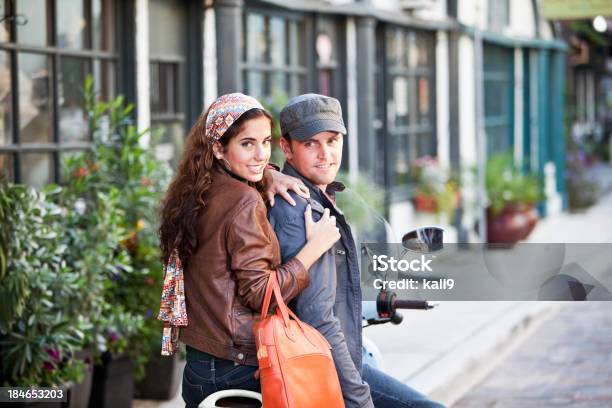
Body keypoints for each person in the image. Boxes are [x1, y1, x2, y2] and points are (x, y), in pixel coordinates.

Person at [158, 93, 340, 408]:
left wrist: (268, 173)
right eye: (247, 144)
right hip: (238, 367)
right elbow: (261, 294)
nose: (259, 154)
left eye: (266, 142)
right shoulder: (244, 201)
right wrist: (313, 249)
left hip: (200, 368)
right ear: (218, 148)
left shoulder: (195, 191)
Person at [268, 93, 446, 408]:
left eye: (333, 141)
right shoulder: (302, 210)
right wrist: (358, 397)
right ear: (286, 148)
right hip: (325, 363)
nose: (326, 154)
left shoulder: (314, 195)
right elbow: (318, 317)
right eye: (311, 144)